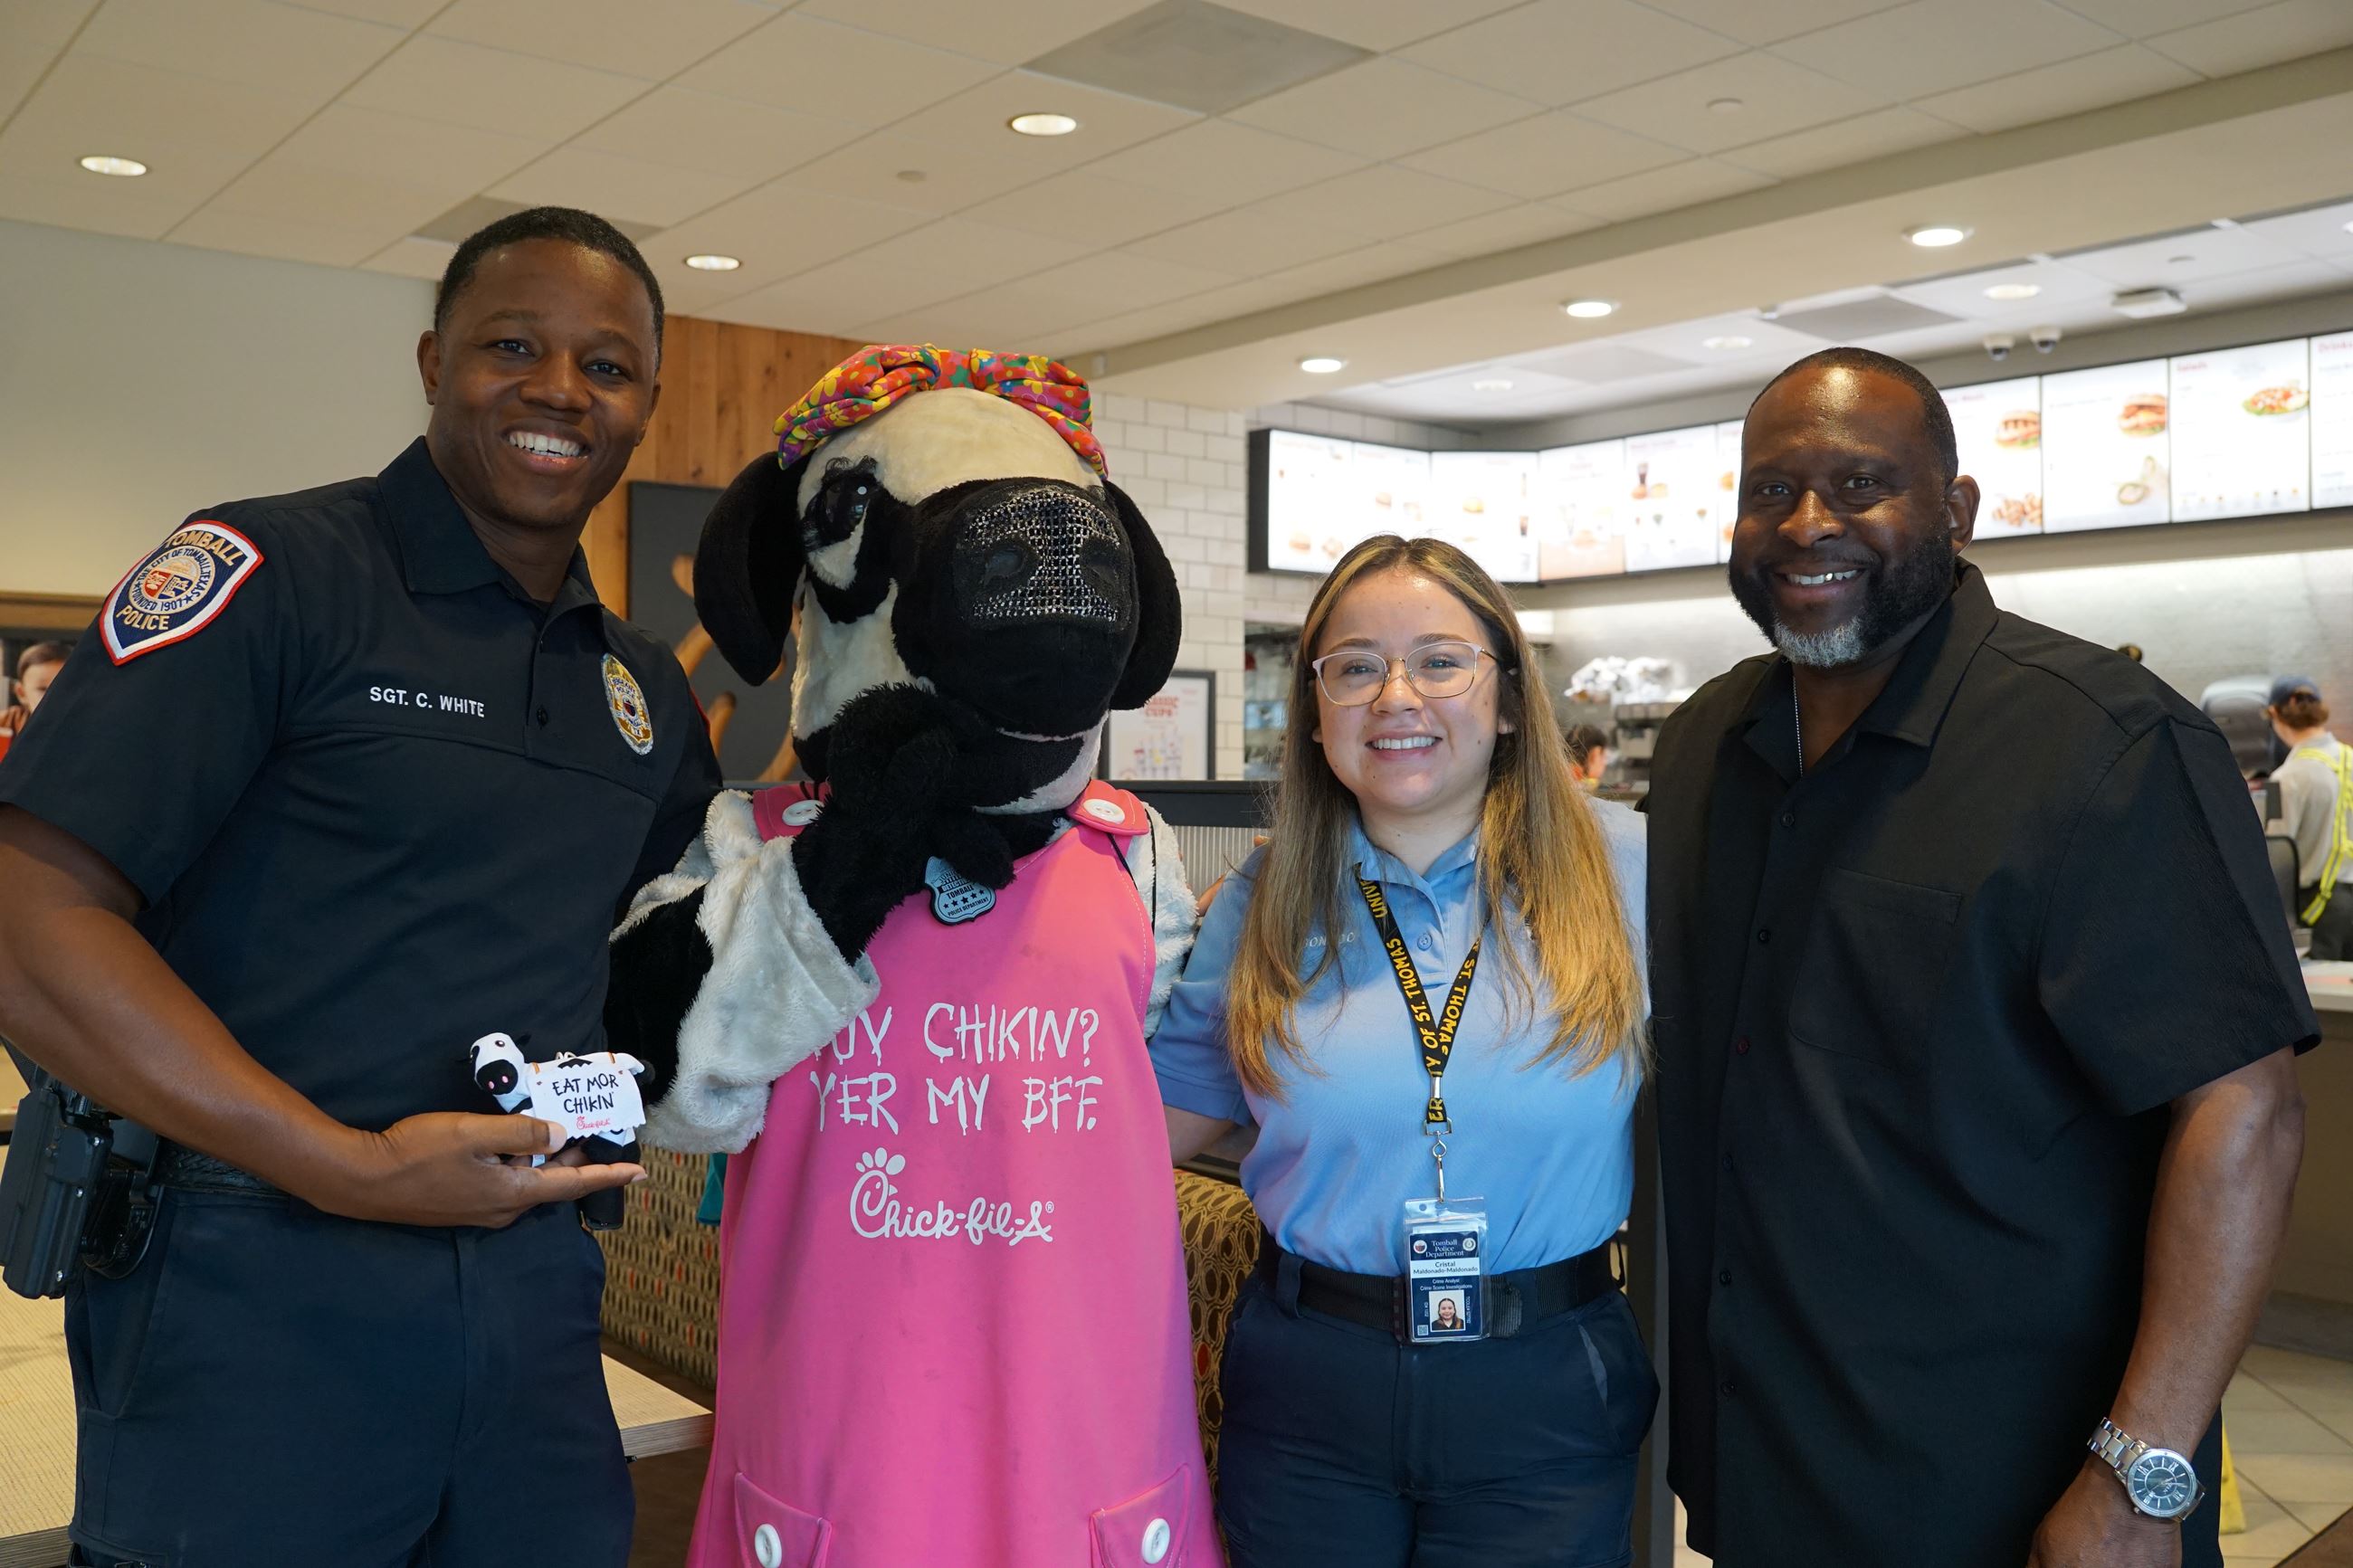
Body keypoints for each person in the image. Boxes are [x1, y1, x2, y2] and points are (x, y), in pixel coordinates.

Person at [0, 206, 722, 1567]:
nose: (561, 390)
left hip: (536, 1301)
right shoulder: (273, 577)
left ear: (644, 405)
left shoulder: (640, 692)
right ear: (435, 360)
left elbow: (677, 958)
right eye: (512, 346)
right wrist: (343, 1164)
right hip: (250, 1280)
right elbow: (28, 924)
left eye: (607, 366)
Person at [1645, 347, 2314, 1568]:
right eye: (1770, 490)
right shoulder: (1704, 748)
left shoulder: (2103, 747)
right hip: (1762, 1470)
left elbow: (2243, 1113)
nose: (1807, 522)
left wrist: (2139, 1480)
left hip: (2012, 1496)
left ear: (1955, 509)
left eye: (1859, 485)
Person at [1156, 535, 1654, 1568]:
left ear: (1507, 697)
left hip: (1545, 1381)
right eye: (1353, 667)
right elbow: (1153, 1124)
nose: (1395, 696)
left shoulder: (1628, 869)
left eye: (1438, 660)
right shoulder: (1262, 898)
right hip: (1309, 1386)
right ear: (1315, 711)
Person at [2268, 675, 2353, 957]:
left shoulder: (2284, 779)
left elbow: (2276, 855)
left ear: (2274, 713)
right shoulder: (2350, 759)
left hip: (2317, 912)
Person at [0, 639, 69, 763]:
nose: (52, 697)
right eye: (42, 689)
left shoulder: (92, 729)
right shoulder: (6, 724)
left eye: (62, 688)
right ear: (21, 693)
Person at [1566, 721, 1611, 787]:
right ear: (1595, 755)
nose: (1604, 765)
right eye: (1604, 757)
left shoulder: (1560, 775)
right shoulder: (1578, 787)